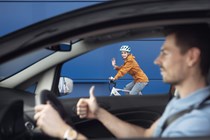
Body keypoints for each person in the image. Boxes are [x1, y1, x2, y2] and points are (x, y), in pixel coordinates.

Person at [34, 23, 210, 139]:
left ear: (191, 57)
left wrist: (64, 132)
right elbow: (145, 135)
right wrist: (99, 114)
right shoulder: (180, 104)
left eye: (165, 53)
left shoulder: (199, 122)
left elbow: (125, 69)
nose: (157, 60)